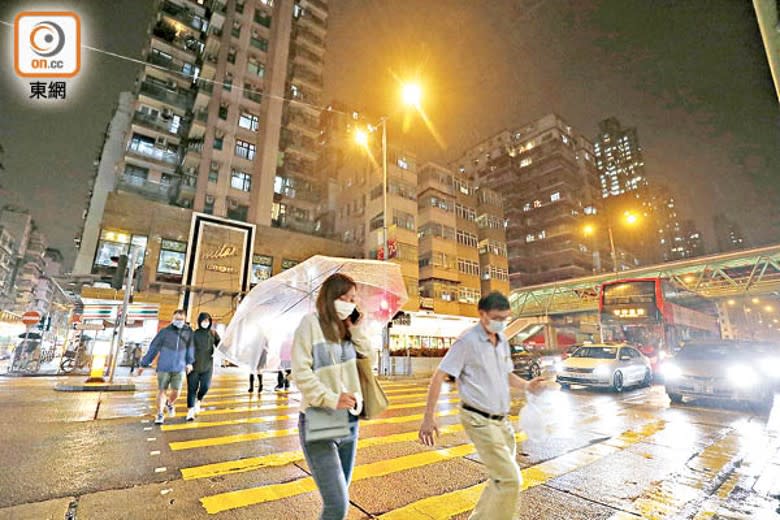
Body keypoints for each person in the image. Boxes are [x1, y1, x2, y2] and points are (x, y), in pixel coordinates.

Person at [419, 292, 546, 520]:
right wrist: (429, 417)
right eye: (497, 317)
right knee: (510, 479)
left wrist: (528, 385)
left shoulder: (502, 341)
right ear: (482, 315)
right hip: (478, 419)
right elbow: (438, 377)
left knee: (499, 479)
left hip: (502, 421)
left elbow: (507, 375)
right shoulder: (467, 341)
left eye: (505, 318)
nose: (501, 322)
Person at [292, 273, 370, 520]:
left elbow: (370, 360)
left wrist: (356, 331)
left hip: (349, 422)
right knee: (338, 505)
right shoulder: (310, 324)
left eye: (353, 299)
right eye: (345, 297)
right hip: (320, 420)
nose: (350, 303)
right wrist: (330, 398)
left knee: (340, 498)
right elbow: (300, 372)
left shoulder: (348, 330)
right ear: (330, 297)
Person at [138, 309, 195, 425]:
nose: (178, 321)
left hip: (179, 368)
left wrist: (189, 362)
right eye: (176, 319)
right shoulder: (164, 332)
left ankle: (169, 403)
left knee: (176, 392)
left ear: (185, 320)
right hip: (164, 367)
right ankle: (159, 414)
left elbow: (191, 349)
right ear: (172, 319)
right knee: (161, 390)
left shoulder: (188, 333)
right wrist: (144, 364)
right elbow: (153, 348)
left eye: (181, 320)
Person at [186, 312, 220, 421]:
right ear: (199, 321)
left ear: (210, 322)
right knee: (192, 389)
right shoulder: (194, 334)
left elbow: (221, 346)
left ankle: (199, 400)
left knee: (205, 386)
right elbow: (188, 349)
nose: (205, 323)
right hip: (193, 366)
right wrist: (188, 363)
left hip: (207, 366)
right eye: (203, 321)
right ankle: (190, 411)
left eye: (207, 321)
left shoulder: (213, 334)